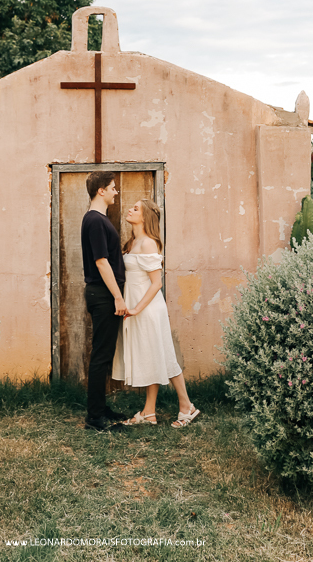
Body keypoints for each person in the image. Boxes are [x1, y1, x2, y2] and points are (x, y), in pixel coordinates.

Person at [112, 198, 200, 428]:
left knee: (164, 356)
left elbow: (156, 283)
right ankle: (149, 412)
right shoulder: (133, 242)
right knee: (153, 355)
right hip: (136, 308)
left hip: (148, 308)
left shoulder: (148, 243)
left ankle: (187, 406)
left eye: (136, 208)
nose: (130, 210)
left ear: (145, 217)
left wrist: (136, 309)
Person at [81, 171, 129, 432]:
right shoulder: (96, 220)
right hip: (103, 295)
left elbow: (108, 256)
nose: (115, 192)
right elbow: (101, 262)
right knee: (101, 356)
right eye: (112, 188)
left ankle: (100, 408)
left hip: (102, 294)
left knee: (104, 354)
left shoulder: (98, 220)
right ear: (100, 190)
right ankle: (94, 419)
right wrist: (118, 297)